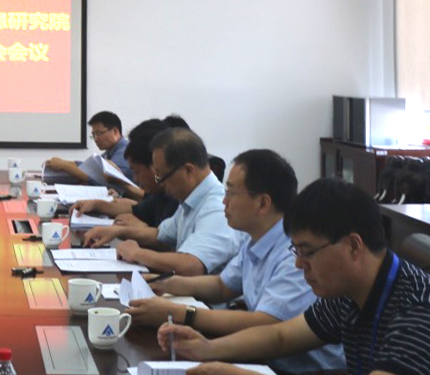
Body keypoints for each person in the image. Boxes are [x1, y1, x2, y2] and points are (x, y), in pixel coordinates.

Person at [159, 178, 430, 375]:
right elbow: (282, 336)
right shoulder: (350, 291)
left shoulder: (421, 312)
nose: (298, 263)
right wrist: (207, 348)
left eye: (307, 251)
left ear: (354, 246)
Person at [127, 150, 344, 373]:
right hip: (263, 360)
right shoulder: (256, 238)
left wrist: (182, 313)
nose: (224, 201)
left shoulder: (294, 254)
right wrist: (165, 283)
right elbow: (223, 286)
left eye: (230, 193)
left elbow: (267, 323)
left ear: (263, 203)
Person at [85, 128, 240, 275]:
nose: (160, 183)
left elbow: (192, 265)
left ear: (188, 170)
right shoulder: (191, 199)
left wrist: (137, 253)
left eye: (161, 175)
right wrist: (117, 231)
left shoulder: (217, 208)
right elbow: (162, 235)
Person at [72, 118, 178, 227]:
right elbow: (137, 209)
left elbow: (166, 236)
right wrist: (95, 204)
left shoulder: (176, 196)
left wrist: (139, 230)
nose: (136, 178)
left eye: (136, 171)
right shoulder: (160, 194)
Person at [47, 111, 133, 183]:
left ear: (115, 132)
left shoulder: (124, 151)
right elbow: (88, 167)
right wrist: (62, 163)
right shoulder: (109, 152)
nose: (96, 139)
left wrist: (63, 165)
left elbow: (99, 179)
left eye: (98, 133)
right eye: (93, 135)